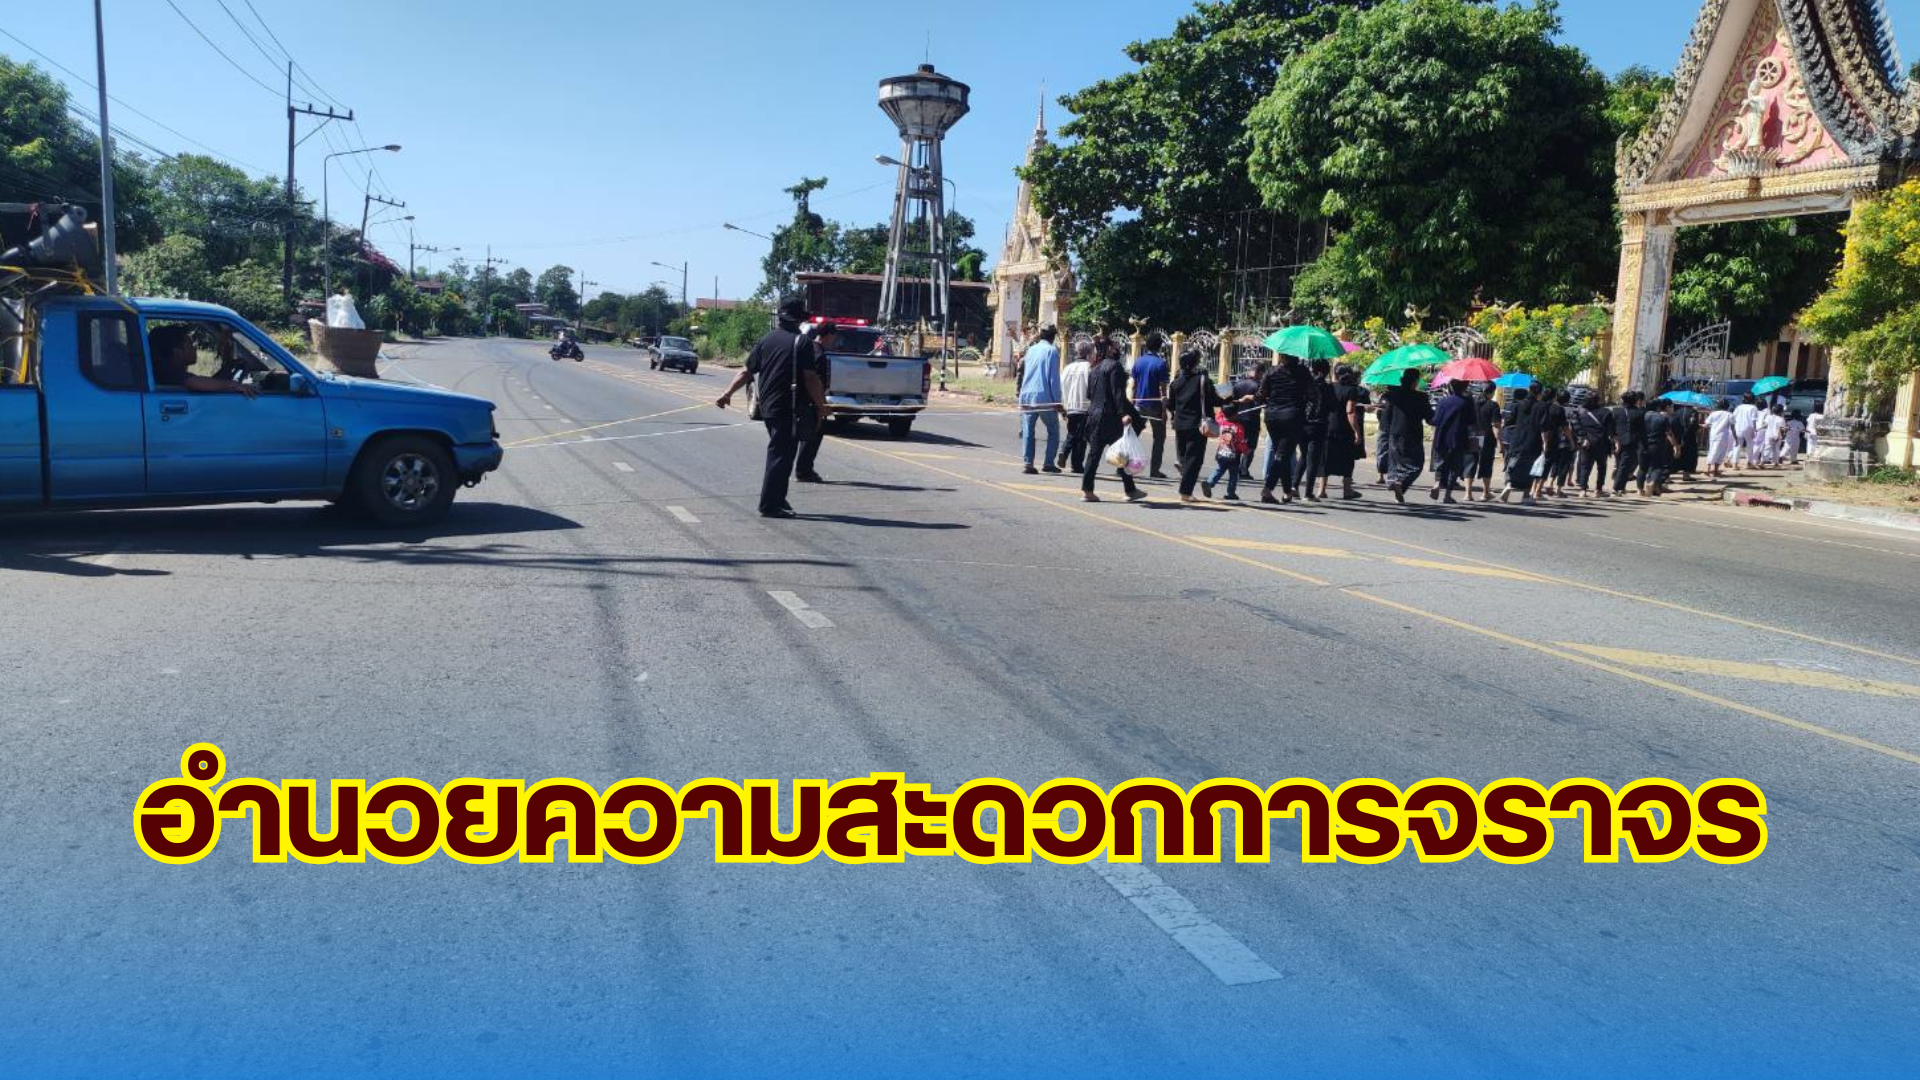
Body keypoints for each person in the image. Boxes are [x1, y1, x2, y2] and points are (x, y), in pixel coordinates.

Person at [715, 297, 826, 519]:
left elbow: (746, 372)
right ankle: (770, 504)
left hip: (767, 407)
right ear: (799, 320)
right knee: (782, 454)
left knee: (782, 451)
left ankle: (778, 497)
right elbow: (810, 378)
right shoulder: (802, 342)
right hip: (789, 407)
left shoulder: (766, 340)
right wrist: (821, 405)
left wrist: (727, 394)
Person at [1082, 338, 1146, 503]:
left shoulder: (1094, 368)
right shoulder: (1114, 366)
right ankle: (1130, 490)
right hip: (1110, 417)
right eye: (1115, 346)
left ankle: (1088, 490)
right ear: (1109, 348)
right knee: (1122, 453)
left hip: (1094, 415)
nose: (1117, 349)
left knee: (1094, 454)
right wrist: (1123, 413)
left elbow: (1089, 394)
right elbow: (1118, 393)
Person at [1168, 348, 1228, 503]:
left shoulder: (1175, 383)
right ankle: (1185, 492)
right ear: (1195, 363)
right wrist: (1228, 398)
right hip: (1197, 425)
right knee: (1194, 460)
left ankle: (1185, 483)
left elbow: (1170, 405)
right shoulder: (1202, 380)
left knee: (1185, 458)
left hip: (1180, 425)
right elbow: (1215, 400)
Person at [1258, 349, 1314, 505]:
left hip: (1272, 416)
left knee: (1282, 454)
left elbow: (1261, 394)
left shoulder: (1271, 371)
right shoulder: (1303, 372)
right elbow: (1313, 394)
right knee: (1283, 455)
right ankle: (1267, 489)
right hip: (1292, 417)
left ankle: (1287, 491)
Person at [148, 325, 258, 397]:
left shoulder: (167, 371)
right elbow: (194, 383)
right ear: (177, 351)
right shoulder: (170, 373)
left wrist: (228, 367)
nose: (195, 348)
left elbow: (211, 383)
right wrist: (234, 385)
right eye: (190, 345)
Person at [1016, 326, 1064, 475]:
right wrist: (1058, 401)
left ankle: (1028, 463)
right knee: (1053, 430)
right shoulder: (1052, 351)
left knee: (1028, 430)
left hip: (1027, 394)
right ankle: (1048, 462)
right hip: (1045, 397)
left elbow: (1024, 371)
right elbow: (1053, 379)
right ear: (1053, 337)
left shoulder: (1031, 350)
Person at [1382, 368, 1433, 503]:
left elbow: (1386, 416)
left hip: (1395, 433)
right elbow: (1430, 417)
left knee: (1395, 462)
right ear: (1415, 381)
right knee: (1416, 464)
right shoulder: (1421, 397)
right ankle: (1401, 483)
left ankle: (1394, 482)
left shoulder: (1393, 395)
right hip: (1413, 434)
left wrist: (1386, 431)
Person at [795, 321, 836, 484]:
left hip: (799, 398)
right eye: (833, 336)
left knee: (806, 434)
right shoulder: (820, 355)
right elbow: (816, 382)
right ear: (829, 335)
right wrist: (822, 405)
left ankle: (802, 469)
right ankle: (804, 471)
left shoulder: (808, 348)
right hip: (811, 401)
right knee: (813, 434)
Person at [1294, 358, 1337, 501]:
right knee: (1313, 459)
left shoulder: (1304, 384)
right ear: (1324, 371)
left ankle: (1294, 486)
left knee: (1304, 456)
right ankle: (1308, 493)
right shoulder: (1327, 387)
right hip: (1318, 425)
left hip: (1302, 424)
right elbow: (1333, 406)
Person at [1131, 333, 1172, 478]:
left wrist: (1132, 403)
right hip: (1155, 406)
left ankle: (1122, 466)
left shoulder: (1138, 362)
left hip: (1139, 404)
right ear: (1159, 346)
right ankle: (1154, 470)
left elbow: (1133, 386)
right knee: (1159, 438)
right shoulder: (1161, 363)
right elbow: (1163, 388)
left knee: (1132, 436)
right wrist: (1164, 410)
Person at [1327, 364, 1368, 501]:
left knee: (1326, 458)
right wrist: (1357, 432)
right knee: (1348, 459)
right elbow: (1350, 411)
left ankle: (1321, 490)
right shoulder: (1351, 390)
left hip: (1329, 425)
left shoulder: (1330, 387)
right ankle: (1347, 490)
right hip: (1345, 428)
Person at [1429, 379, 1471, 503]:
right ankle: (1447, 495)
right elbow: (1472, 421)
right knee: (1455, 467)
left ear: (1451, 387)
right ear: (1465, 387)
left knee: (1441, 463)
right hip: (1459, 438)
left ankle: (1437, 483)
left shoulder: (1443, 401)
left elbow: (1435, 420)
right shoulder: (1467, 402)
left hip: (1441, 437)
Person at [1502, 385, 1544, 505]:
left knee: (1513, 463)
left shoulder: (1519, 405)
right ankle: (1526, 496)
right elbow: (1544, 425)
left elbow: (1509, 421)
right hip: (1533, 440)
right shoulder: (1541, 406)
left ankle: (1509, 484)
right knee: (1529, 468)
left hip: (1517, 438)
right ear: (1539, 393)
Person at [1057, 342, 1095, 473]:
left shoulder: (1067, 368)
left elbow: (1062, 387)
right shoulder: (1090, 368)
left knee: (1075, 433)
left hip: (1070, 406)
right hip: (1085, 407)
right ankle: (1066, 452)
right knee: (1080, 436)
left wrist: (1063, 407)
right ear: (1089, 353)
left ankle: (1075, 463)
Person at [1202, 402, 1248, 502]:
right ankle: (1231, 493)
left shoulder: (1221, 423)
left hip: (1221, 453)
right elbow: (1240, 442)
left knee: (1219, 470)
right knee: (1233, 475)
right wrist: (1245, 450)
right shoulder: (1239, 427)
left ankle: (1209, 483)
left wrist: (1222, 409)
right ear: (1234, 414)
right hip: (1234, 456)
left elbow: (1219, 415)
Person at [1232, 361, 1267, 482]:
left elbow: (1232, 401)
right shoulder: (1258, 386)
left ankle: (1235, 469)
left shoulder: (1238, 384)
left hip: (1237, 418)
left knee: (1237, 444)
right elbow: (1262, 403)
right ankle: (1244, 470)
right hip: (1252, 419)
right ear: (1260, 373)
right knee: (1250, 446)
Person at [1571, 392, 1611, 498]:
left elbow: (1576, 427)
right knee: (1602, 467)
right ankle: (1598, 490)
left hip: (1587, 442)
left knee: (1585, 466)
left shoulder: (1580, 412)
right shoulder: (1606, 412)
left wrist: (1583, 438)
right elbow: (1610, 430)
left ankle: (1583, 490)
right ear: (1598, 400)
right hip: (1602, 443)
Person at [1467, 386, 1501, 502]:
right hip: (1487, 438)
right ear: (1492, 392)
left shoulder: (1472, 403)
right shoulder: (1493, 405)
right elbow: (1495, 425)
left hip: (1473, 436)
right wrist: (1499, 441)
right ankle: (1485, 493)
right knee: (1486, 464)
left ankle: (1468, 494)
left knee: (1470, 463)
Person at [1611, 392, 1646, 496]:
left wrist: (1614, 438)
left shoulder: (1616, 411)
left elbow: (1611, 427)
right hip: (1631, 442)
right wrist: (1644, 443)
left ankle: (1621, 487)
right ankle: (1616, 488)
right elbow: (1642, 430)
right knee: (1624, 466)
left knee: (1620, 464)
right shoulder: (1639, 413)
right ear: (1635, 401)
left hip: (1617, 441)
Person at [1642, 399, 1680, 496]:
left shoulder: (1643, 416)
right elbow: (1669, 434)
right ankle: (1652, 484)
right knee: (1658, 467)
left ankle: (1652, 486)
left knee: (1650, 466)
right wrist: (1675, 445)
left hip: (1644, 444)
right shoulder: (1662, 418)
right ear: (1658, 407)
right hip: (1658, 444)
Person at [1704, 399, 1736, 478]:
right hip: (1723, 436)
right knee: (1720, 453)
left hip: (1713, 435)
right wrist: (1736, 437)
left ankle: (1711, 469)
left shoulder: (1713, 413)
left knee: (1712, 451)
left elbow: (1707, 424)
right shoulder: (1729, 414)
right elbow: (1733, 428)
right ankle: (1711, 470)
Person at [1731, 395, 1762, 470]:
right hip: (1748, 427)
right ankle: (1749, 463)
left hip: (1738, 427)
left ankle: (1735, 464)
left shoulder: (1739, 407)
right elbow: (1754, 420)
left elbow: (1733, 417)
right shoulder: (1753, 407)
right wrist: (1755, 429)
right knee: (1750, 445)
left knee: (1737, 445)